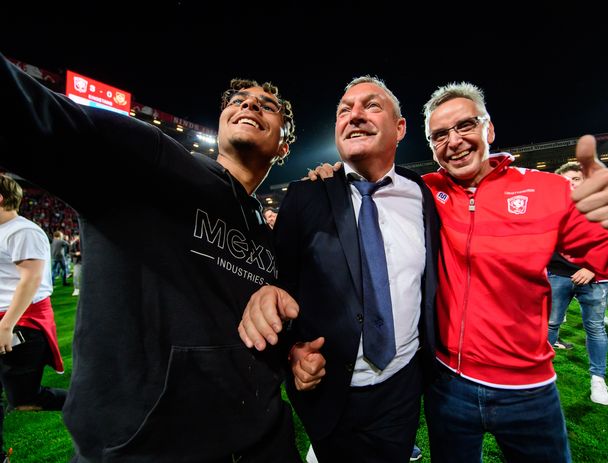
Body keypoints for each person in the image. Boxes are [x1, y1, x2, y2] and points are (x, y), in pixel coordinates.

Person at [0, 53, 304, 462]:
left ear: (283, 144)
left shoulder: (268, 239)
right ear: (221, 121)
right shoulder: (151, 161)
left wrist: (296, 353)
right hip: (147, 448)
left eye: (267, 106)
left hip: (262, 443)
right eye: (238, 100)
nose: (250, 104)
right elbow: (39, 115)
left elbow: (258, 335)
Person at [419, 82, 608, 462]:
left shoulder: (549, 190)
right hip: (446, 384)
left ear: (488, 129)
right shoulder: (424, 192)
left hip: (527, 389)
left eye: (464, 126)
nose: (453, 141)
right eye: (439, 135)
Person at [239, 76, 440, 462]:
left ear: (400, 128)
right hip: (328, 388)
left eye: (371, 106)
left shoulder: (422, 193)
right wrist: (292, 352)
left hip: (402, 386)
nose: (355, 116)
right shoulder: (306, 194)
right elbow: (280, 287)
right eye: (344, 110)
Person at [0, 174, 67, 463]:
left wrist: (6, 326)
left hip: (21, 323)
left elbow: (31, 280)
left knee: (25, 401)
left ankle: (96, 399)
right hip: (9, 320)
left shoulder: (22, 231)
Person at [546, 162, 608, 406]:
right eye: (566, 181)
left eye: (576, 178)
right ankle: (542, 371)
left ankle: (598, 378)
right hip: (558, 274)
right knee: (551, 323)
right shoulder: (553, 208)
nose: (571, 184)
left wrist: (592, 268)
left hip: (594, 277)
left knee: (594, 327)